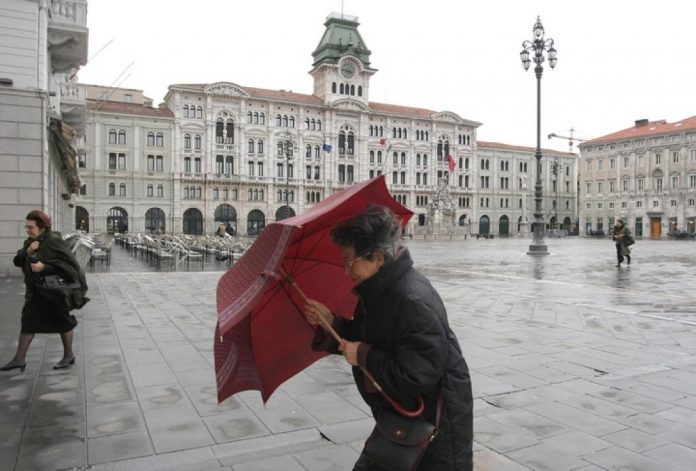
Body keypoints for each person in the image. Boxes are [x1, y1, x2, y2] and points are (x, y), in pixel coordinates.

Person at [303, 205, 473, 470]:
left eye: (349, 261)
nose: (346, 270)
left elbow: (417, 376)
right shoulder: (380, 291)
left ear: (378, 258)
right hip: (403, 421)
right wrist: (331, 323)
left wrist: (362, 354)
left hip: (432, 432)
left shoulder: (412, 301)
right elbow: (368, 336)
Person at [1, 210, 88, 372]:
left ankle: (68, 355)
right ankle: (19, 359)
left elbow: (71, 268)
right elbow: (17, 261)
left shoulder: (53, 241)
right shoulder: (31, 242)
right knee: (28, 322)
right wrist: (28, 252)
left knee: (63, 322)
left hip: (54, 292)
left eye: (31, 227)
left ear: (41, 227)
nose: (27, 230)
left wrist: (45, 267)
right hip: (37, 291)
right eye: (26, 227)